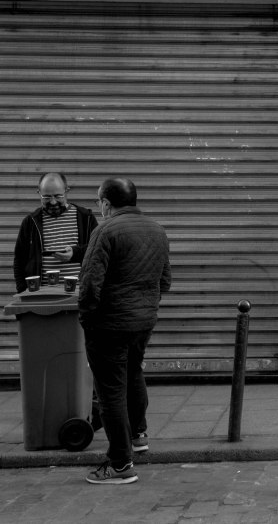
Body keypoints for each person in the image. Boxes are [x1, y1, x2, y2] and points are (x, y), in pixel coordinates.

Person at [78, 177, 171, 485]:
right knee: (133, 374)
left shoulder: (105, 231)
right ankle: (138, 436)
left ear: (106, 203)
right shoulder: (157, 230)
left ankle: (120, 464)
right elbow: (165, 281)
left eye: (98, 202)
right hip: (143, 322)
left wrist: (87, 319)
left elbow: (90, 285)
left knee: (110, 392)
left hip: (109, 325)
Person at [13, 172, 98, 294]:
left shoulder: (86, 218)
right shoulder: (30, 222)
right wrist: (23, 292)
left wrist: (75, 253)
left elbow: (98, 251)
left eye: (58, 196)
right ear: (39, 193)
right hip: (41, 296)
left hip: (80, 296)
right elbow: (19, 261)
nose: (53, 202)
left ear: (67, 191)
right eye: (46, 197)